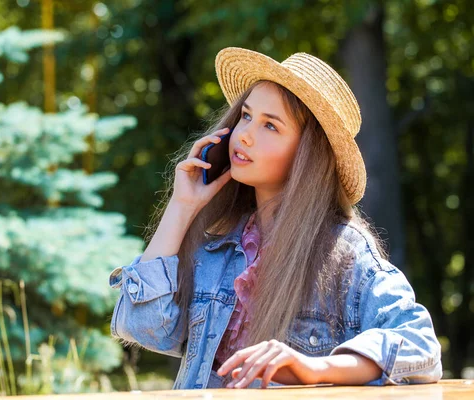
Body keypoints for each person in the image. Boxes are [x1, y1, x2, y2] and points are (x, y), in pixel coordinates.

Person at [108, 47, 442, 389]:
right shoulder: (219, 248)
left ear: (306, 154)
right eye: (247, 116)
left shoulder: (343, 255)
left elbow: (421, 348)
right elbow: (143, 327)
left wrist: (314, 367)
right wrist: (181, 207)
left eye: (271, 125)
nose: (245, 134)